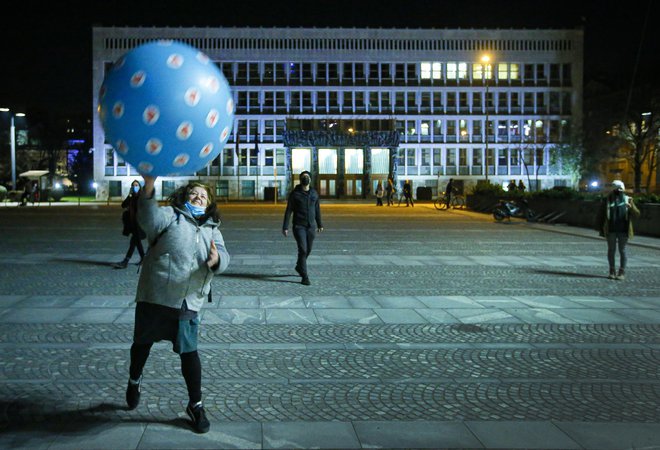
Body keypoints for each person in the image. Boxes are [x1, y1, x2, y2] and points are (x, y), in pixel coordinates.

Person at [125, 175, 230, 434]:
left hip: (188, 300)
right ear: (185, 197)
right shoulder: (171, 215)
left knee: (189, 353)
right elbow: (148, 220)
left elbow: (225, 255)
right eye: (194, 194)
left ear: (209, 204)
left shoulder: (212, 227)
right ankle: (134, 379)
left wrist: (218, 260)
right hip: (156, 295)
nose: (198, 198)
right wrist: (148, 186)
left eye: (203, 196)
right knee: (141, 345)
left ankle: (195, 405)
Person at [282, 170, 324, 285]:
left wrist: (320, 224)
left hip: (311, 227)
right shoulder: (295, 194)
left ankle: (299, 266)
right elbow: (289, 210)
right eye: (303, 177)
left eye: (307, 177)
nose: (305, 179)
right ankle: (305, 276)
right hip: (299, 226)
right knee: (303, 249)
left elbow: (317, 209)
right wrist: (285, 226)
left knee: (308, 250)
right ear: (300, 180)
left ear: (310, 179)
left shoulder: (314, 193)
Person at [595, 180, 639, 280]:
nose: (618, 192)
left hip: (624, 230)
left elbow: (637, 214)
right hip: (611, 229)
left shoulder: (628, 199)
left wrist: (631, 207)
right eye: (616, 190)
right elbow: (601, 214)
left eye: (620, 189)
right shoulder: (607, 200)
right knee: (611, 250)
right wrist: (600, 228)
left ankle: (622, 272)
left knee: (622, 250)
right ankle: (612, 270)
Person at [114, 180, 146, 269]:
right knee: (137, 242)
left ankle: (125, 261)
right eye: (133, 185)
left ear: (140, 186)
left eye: (136, 185)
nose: (135, 187)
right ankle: (143, 258)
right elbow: (123, 205)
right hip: (133, 224)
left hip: (140, 224)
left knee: (133, 242)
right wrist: (129, 195)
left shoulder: (142, 197)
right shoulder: (132, 197)